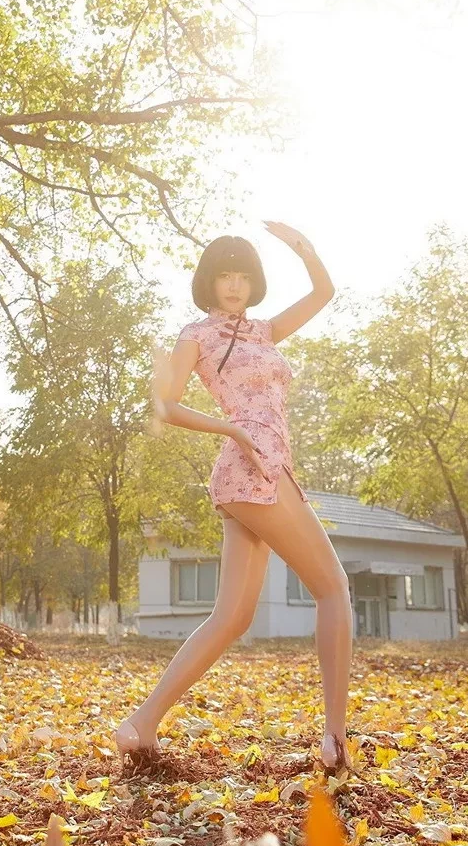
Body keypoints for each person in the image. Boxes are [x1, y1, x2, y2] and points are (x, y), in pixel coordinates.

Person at [113, 222, 353, 775]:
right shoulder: (196, 335)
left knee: (232, 616)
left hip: (269, 468)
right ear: (209, 282)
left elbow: (323, 294)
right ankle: (336, 737)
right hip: (250, 469)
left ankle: (140, 724)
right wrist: (232, 431)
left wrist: (305, 247)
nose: (235, 285)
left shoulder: (264, 331)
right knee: (334, 586)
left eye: (243, 275)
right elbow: (165, 405)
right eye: (224, 275)